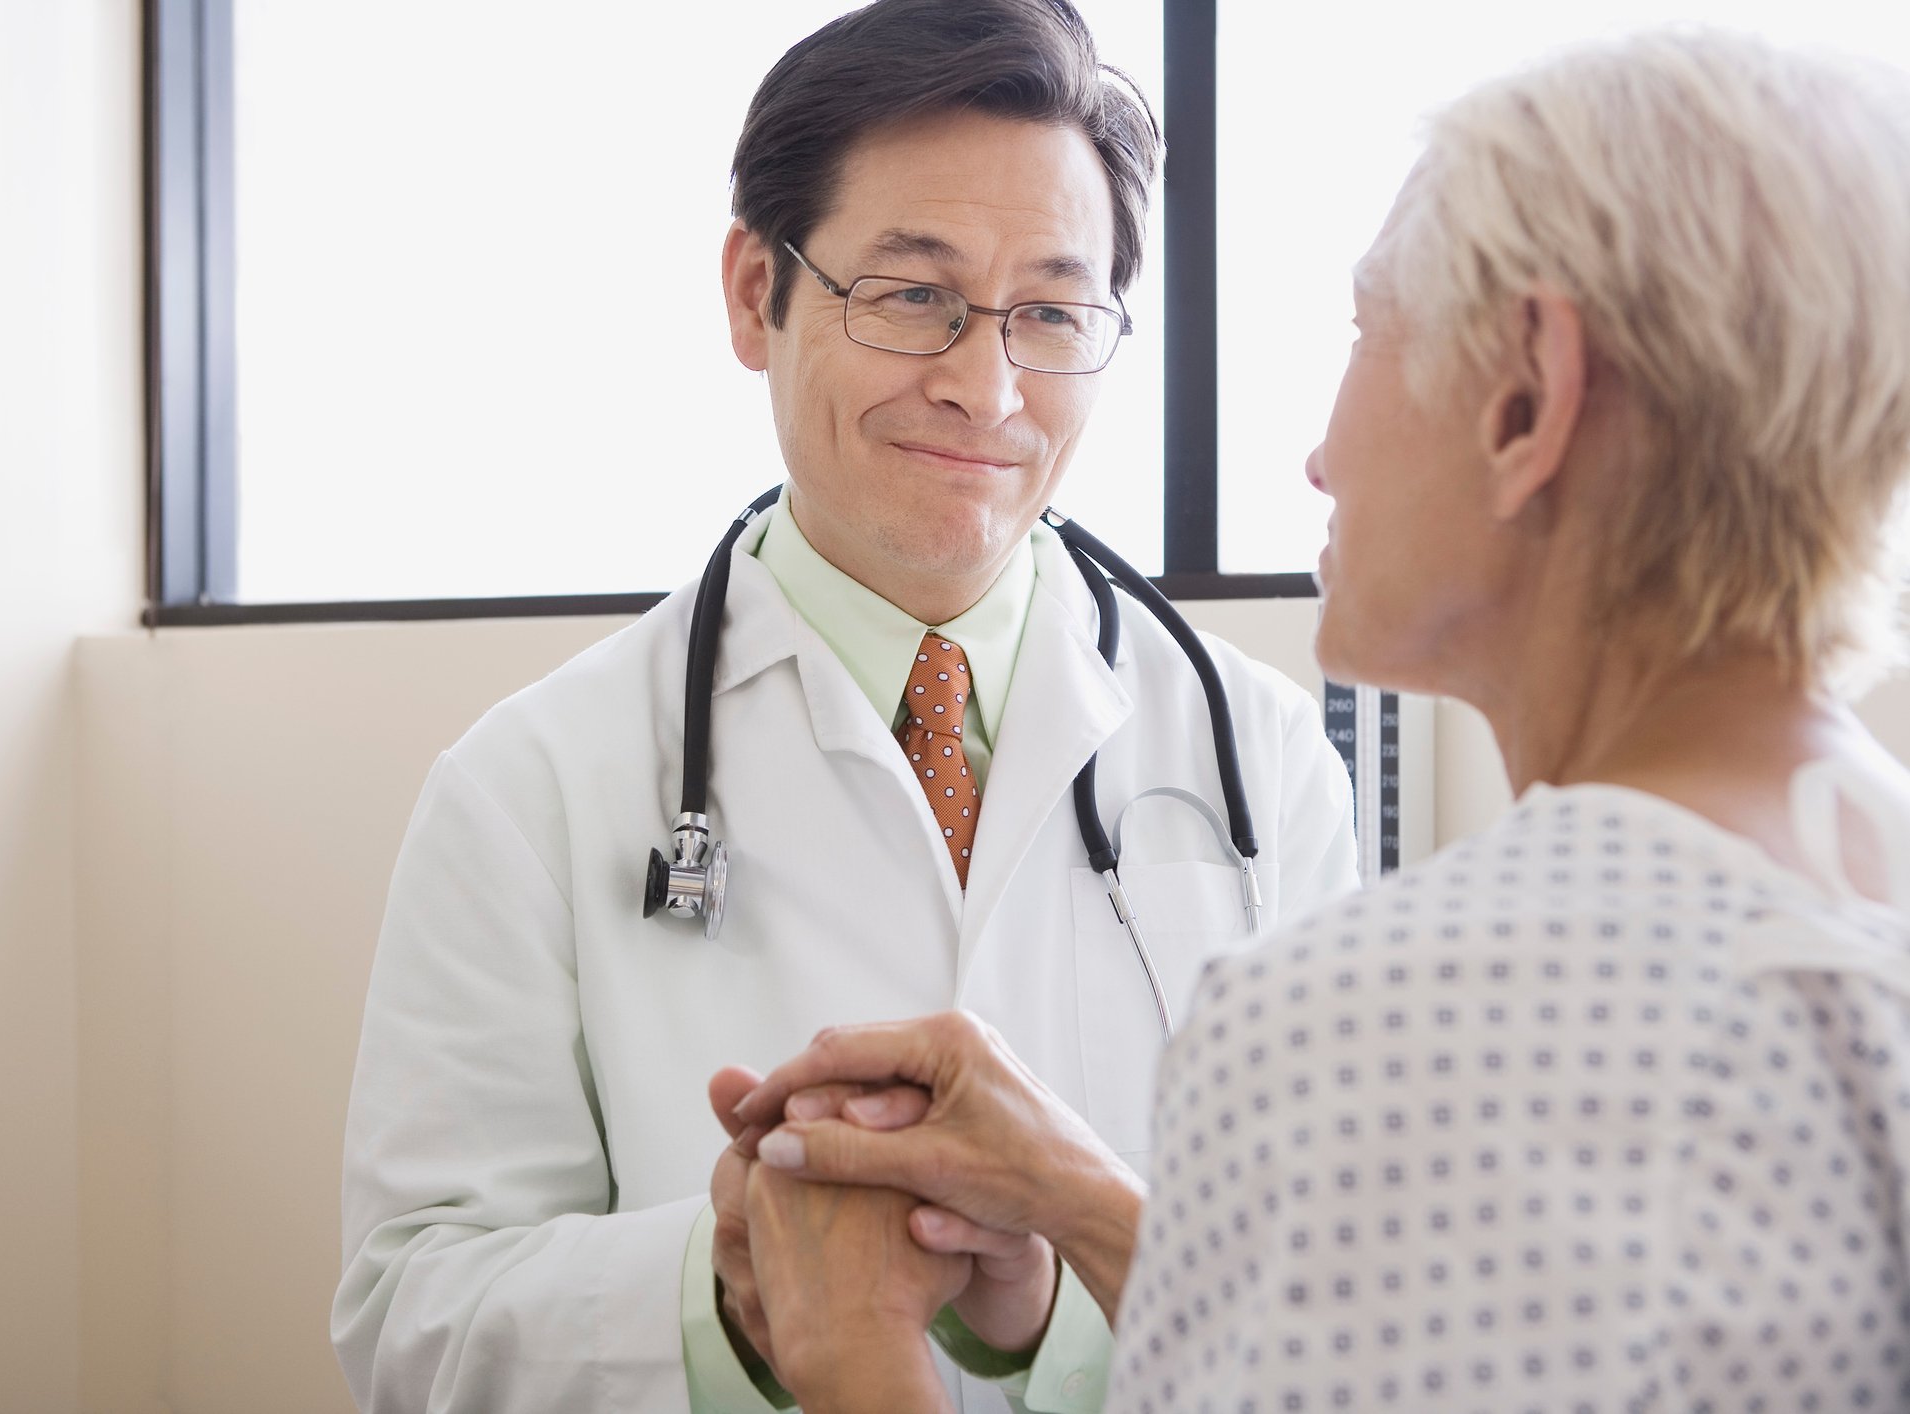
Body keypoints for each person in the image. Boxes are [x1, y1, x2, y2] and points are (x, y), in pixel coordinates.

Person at [727, 27, 1910, 1413]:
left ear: (1528, 396)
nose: (1318, 454)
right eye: (915, 295)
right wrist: (1091, 1209)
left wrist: (857, 1359)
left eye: (1366, 332)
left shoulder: (1364, 1034)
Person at [328, 2, 1359, 1410]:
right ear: (756, 293)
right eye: (913, 294)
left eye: (1050, 313)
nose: (986, 386)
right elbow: (410, 1323)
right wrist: (733, 1283)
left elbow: (1343, 1289)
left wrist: (1050, 1304)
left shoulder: (1260, 756)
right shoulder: (529, 784)